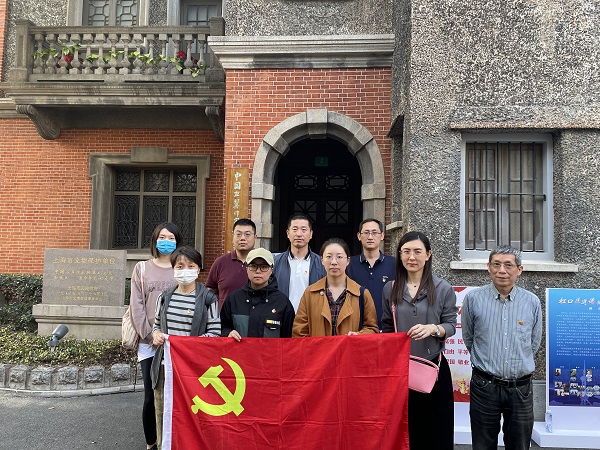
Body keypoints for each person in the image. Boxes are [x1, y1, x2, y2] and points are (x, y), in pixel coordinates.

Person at [381, 231, 458, 450]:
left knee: (436, 432)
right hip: (401, 371)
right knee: (406, 432)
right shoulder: (390, 288)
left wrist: (433, 328)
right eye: (406, 251)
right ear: (399, 255)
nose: (411, 257)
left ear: (428, 254)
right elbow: (387, 327)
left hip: (433, 369)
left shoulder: (443, 288)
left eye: (417, 251)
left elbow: (451, 325)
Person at [462, 245, 542, 450]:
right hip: (484, 386)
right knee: (482, 444)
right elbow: (469, 338)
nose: (502, 271)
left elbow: (533, 343)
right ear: (488, 267)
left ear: (519, 270)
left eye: (508, 265)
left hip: (520, 388)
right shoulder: (473, 299)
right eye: (496, 264)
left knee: (519, 444)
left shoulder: (531, 302)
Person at [150, 246, 220, 450]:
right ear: (173, 269)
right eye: (180, 266)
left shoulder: (208, 299)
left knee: (191, 416)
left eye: (191, 266)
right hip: (165, 367)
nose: (185, 270)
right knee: (163, 413)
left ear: (198, 269)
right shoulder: (165, 296)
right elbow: (156, 325)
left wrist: (186, 346)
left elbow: (215, 333)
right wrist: (156, 334)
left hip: (193, 371)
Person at [129, 222, 182, 450]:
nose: (166, 241)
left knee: (174, 395)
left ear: (178, 242)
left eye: (171, 238)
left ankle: (171, 440)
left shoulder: (182, 268)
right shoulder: (141, 268)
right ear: (154, 240)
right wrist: (151, 335)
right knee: (151, 396)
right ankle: (151, 443)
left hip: (176, 344)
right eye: (162, 237)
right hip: (149, 343)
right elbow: (136, 306)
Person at [292, 238, 379, 336]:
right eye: (329, 257)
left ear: (348, 260)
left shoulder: (361, 294)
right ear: (322, 260)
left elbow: (372, 328)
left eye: (339, 257)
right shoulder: (310, 293)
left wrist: (358, 336)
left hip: (349, 346)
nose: (334, 262)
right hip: (319, 347)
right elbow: (299, 332)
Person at [221, 248, 295, 340]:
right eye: (253, 266)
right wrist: (228, 333)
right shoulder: (233, 299)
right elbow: (222, 328)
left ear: (271, 269)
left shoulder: (282, 302)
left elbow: (289, 339)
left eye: (264, 267)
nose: (258, 271)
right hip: (239, 349)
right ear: (247, 268)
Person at [347, 218, 396, 329]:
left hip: (387, 329)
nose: (370, 237)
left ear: (382, 236)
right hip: (357, 329)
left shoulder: (394, 264)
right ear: (359, 236)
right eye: (366, 233)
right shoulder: (349, 264)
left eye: (374, 233)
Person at [273, 213, 326, 312]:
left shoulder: (322, 263)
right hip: (282, 317)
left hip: (311, 317)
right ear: (288, 233)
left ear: (311, 234)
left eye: (304, 230)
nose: (299, 234)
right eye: (295, 229)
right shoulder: (276, 262)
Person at [205, 218, 256, 311]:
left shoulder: (263, 263)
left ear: (255, 237)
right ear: (233, 237)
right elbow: (210, 291)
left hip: (255, 317)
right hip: (225, 318)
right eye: (238, 234)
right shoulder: (220, 262)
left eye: (247, 234)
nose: (242, 238)